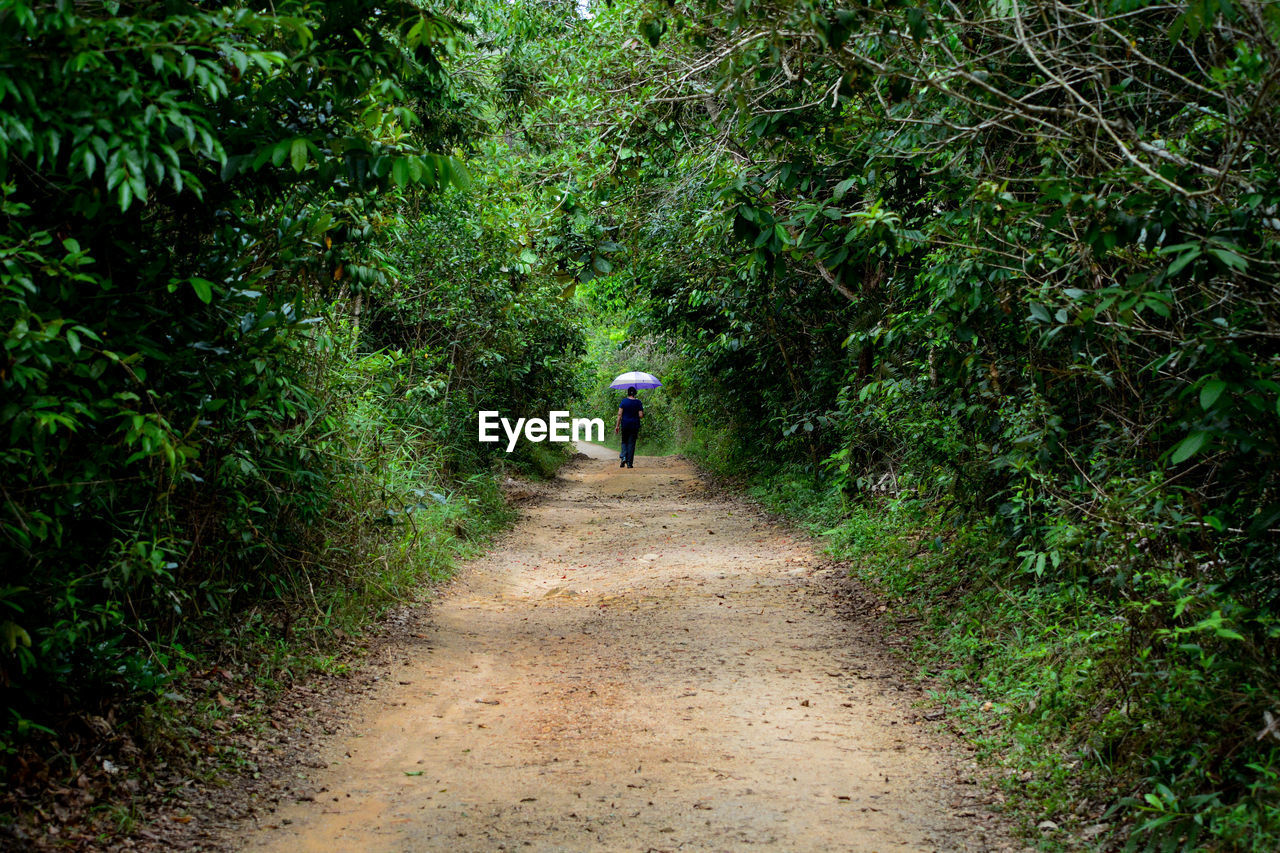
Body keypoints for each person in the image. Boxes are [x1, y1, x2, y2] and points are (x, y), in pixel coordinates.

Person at [614, 386, 643, 468]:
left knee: (624, 441)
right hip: (634, 425)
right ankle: (629, 463)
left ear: (628, 393)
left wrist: (617, 426)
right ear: (635, 393)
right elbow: (640, 415)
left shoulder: (624, 401)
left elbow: (619, 414)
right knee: (631, 443)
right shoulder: (638, 402)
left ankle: (623, 457)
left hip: (625, 425)